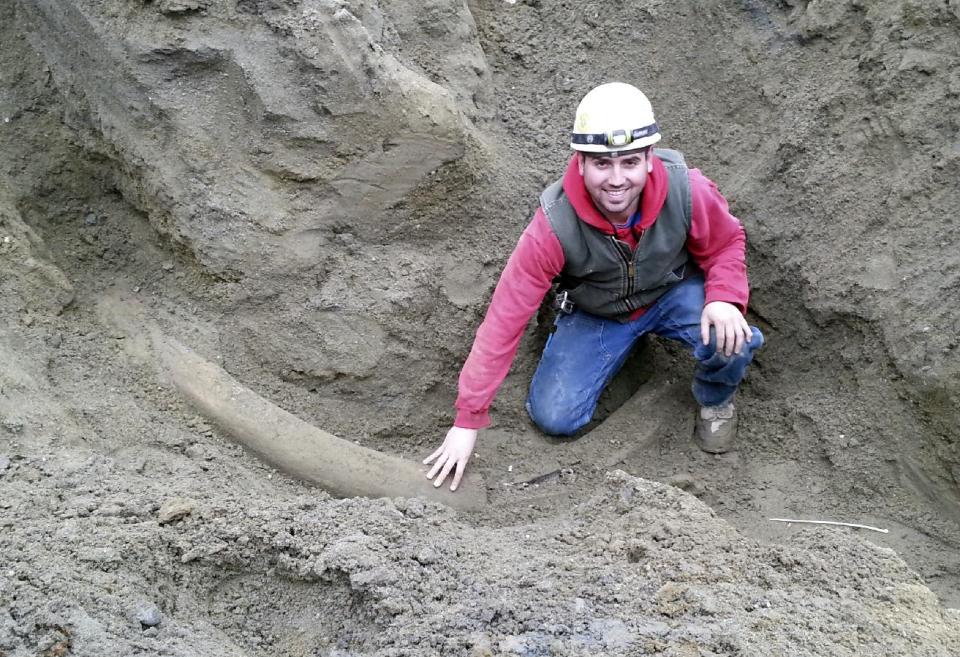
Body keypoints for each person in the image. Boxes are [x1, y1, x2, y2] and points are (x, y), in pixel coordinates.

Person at [424, 82, 764, 491]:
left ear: (650, 160)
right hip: (600, 312)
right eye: (603, 164)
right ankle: (622, 355)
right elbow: (503, 322)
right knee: (554, 418)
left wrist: (724, 297)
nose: (617, 179)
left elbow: (726, 242)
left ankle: (714, 400)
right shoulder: (552, 227)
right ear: (580, 163)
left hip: (671, 294)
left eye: (629, 162)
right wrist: (467, 419)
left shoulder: (686, 189)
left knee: (734, 338)